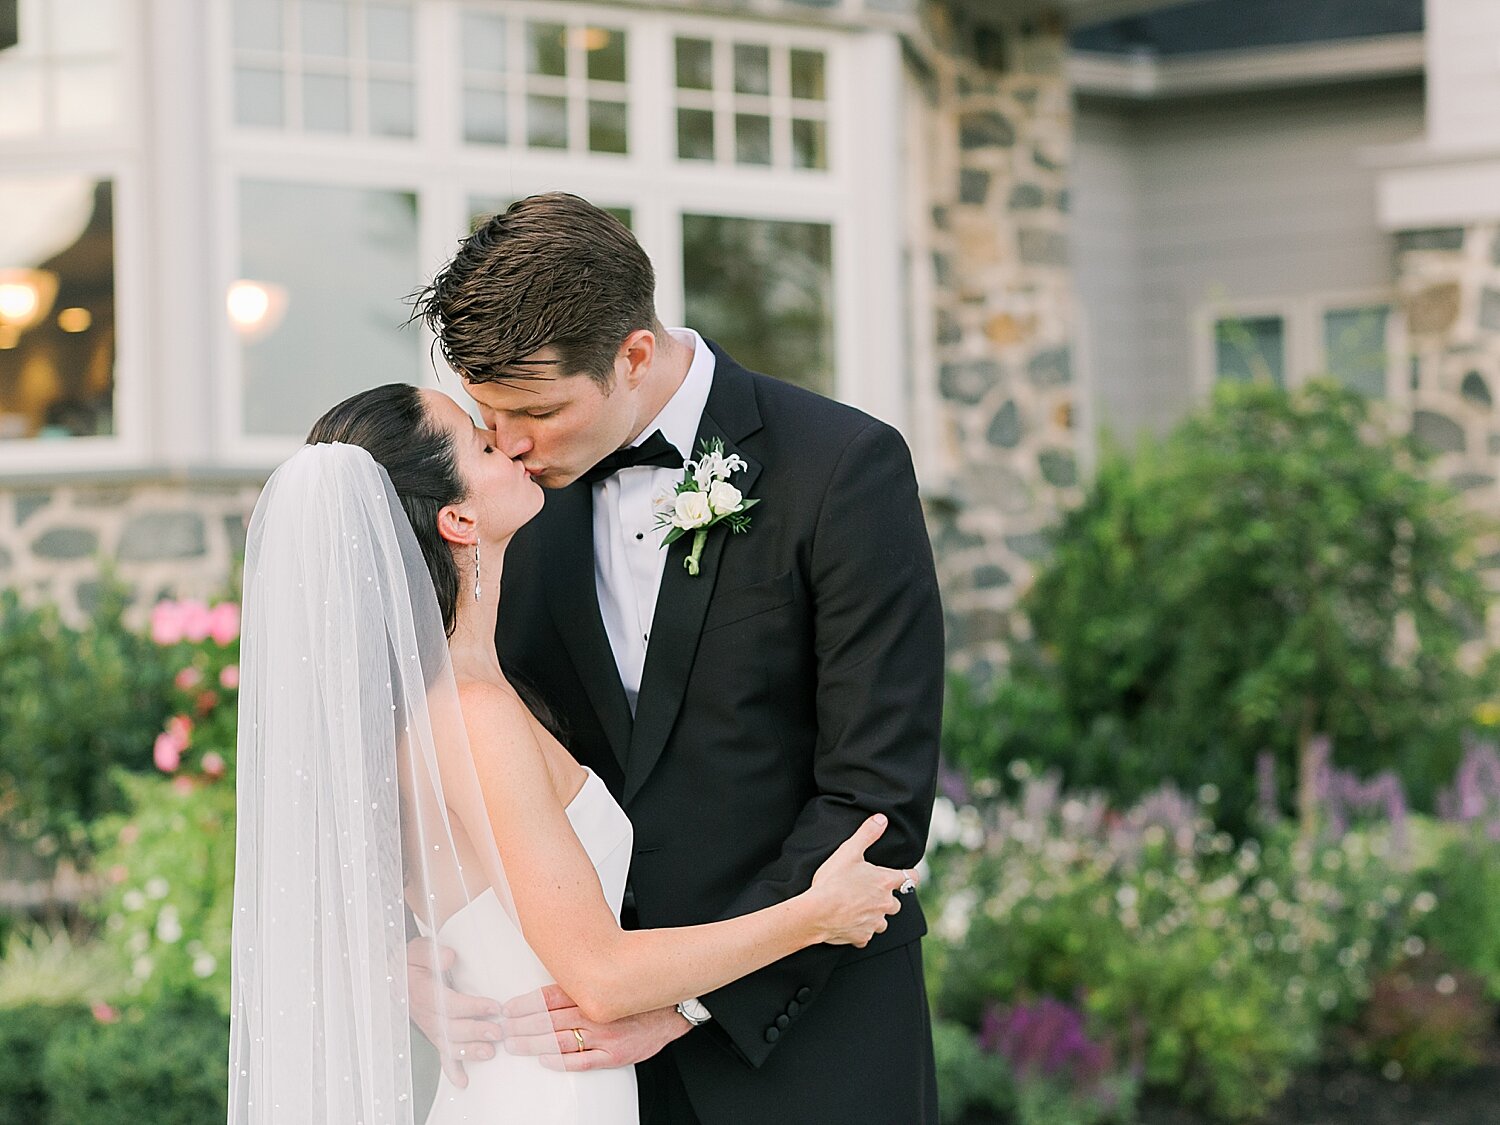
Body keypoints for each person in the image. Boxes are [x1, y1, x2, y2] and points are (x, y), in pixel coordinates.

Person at [227, 386, 913, 1125]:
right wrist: (814, 915)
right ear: (457, 519)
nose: (512, 443)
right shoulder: (475, 716)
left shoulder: (460, 696)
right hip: (548, 1094)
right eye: (485, 444)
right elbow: (602, 977)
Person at [408, 193, 945, 1124]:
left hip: (814, 1050)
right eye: (491, 417)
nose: (514, 445)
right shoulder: (505, 501)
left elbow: (876, 802)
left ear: (634, 356)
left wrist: (680, 1003)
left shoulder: (843, 469)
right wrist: (402, 951)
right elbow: (418, 752)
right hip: (578, 1064)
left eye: (538, 411)